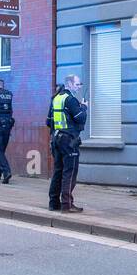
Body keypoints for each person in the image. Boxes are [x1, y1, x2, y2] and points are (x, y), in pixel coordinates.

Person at [47, 75, 87, 213]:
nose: (78, 86)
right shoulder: (71, 100)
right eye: (77, 84)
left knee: (58, 171)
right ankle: (67, 204)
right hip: (69, 140)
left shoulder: (56, 98)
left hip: (56, 138)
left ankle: (53, 203)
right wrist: (84, 107)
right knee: (70, 172)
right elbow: (80, 118)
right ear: (69, 84)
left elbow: (48, 122)